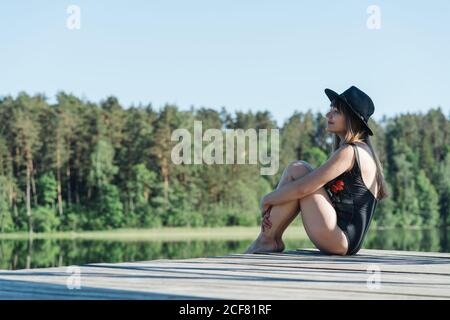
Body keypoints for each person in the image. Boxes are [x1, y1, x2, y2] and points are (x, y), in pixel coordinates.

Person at [244, 85, 389, 255]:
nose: (328, 115)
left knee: (297, 170)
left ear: (352, 119)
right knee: (298, 170)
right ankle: (268, 239)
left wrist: (267, 199)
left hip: (340, 239)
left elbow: (303, 188)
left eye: (336, 111)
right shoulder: (360, 150)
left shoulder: (350, 152)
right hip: (344, 240)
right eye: (330, 110)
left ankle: (267, 240)